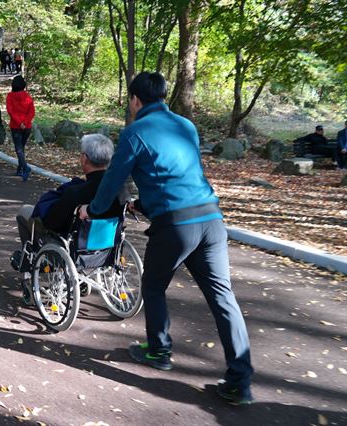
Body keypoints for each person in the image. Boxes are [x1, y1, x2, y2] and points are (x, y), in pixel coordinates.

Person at [79, 72, 254, 406]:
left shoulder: (135, 131)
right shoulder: (185, 126)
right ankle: (239, 381)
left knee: (154, 286)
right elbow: (180, 174)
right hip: (211, 219)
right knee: (222, 298)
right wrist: (142, 204)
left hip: (176, 226)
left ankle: (158, 350)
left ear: (135, 100)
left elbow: (113, 179)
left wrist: (93, 209)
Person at [12, 134, 127, 303]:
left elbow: (51, 222)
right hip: (107, 246)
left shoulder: (76, 192)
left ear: (84, 159)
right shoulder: (121, 188)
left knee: (25, 212)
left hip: (73, 246)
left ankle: (28, 270)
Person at [6, 75, 35, 181]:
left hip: (16, 126)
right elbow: (32, 111)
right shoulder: (27, 96)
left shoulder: (10, 96)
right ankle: (20, 168)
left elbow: (11, 111)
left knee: (18, 148)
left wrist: (19, 123)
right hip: (27, 127)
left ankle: (25, 167)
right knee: (21, 148)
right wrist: (25, 122)